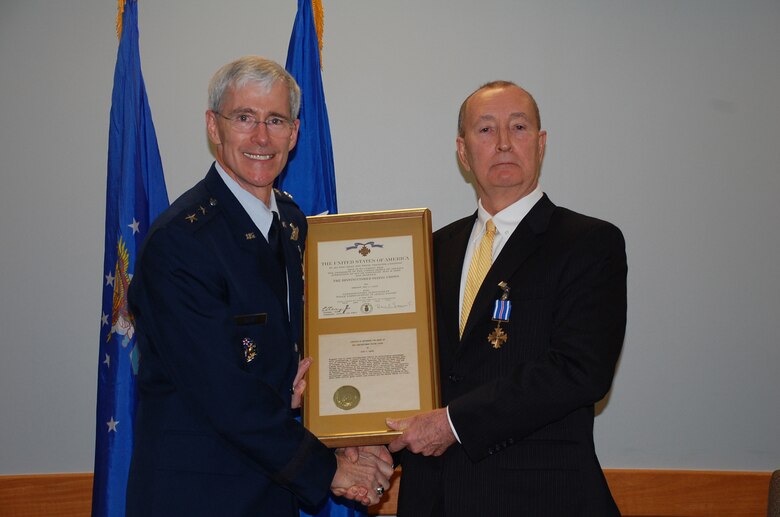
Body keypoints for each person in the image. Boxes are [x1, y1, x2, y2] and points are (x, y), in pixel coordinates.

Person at [126, 56, 392, 517]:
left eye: (275, 120)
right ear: (214, 126)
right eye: (244, 118)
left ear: (294, 133)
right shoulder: (181, 242)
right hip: (198, 497)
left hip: (271, 490)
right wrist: (332, 470)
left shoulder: (291, 224)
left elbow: (293, 359)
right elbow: (224, 393)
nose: (261, 137)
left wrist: (354, 431)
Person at [386, 81, 627, 516]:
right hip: (433, 498)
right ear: (463, 151)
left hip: (537, 497)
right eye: (485, 130)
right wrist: (369, 443)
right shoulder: (428, 249)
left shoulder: (589, 243)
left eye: (518, 127)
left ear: (541, 143)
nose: (502, 143)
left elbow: (580, 370)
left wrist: (453, 423)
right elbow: (409, 366)